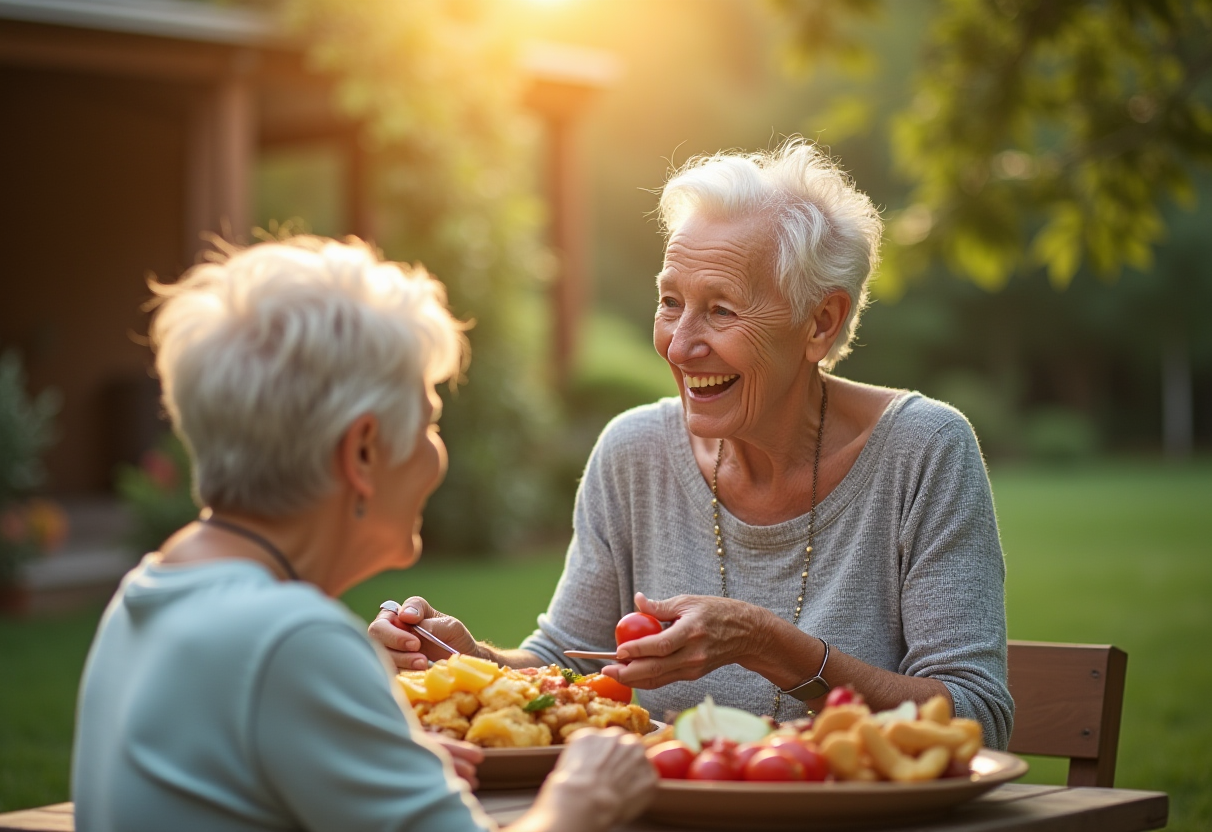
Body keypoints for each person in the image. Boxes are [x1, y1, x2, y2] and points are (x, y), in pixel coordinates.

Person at [371, 138, 1013, 749]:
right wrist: (465, 659)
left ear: (821, 322)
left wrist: (771, 646)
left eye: (722, 310)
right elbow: (563, 664)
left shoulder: (924, 451)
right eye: (670, 302)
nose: (679, 346)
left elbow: (976, 718)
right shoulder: (633, 452)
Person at [71, 237, 655, 832]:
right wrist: (579, 801)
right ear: (364, 450)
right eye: (428, 422)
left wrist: (391, 758)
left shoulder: (145, 597)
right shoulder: (291, 641)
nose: (436, 456)